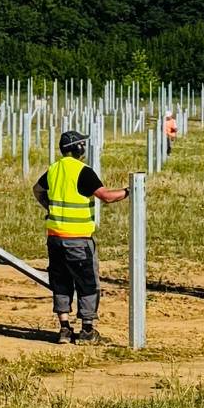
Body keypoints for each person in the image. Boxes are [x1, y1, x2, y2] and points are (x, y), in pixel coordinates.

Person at [33, 130, 130, 343]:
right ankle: (87, 330)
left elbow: (37, 190)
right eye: (82, 145)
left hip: (55, 238)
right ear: (77, 148)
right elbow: (106, 196)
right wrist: (128, 191)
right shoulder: (83, 171)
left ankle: (64, 329)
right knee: (87, 283)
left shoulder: (54, 169)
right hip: (78, 240)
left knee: (61, 282)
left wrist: (49, 207)